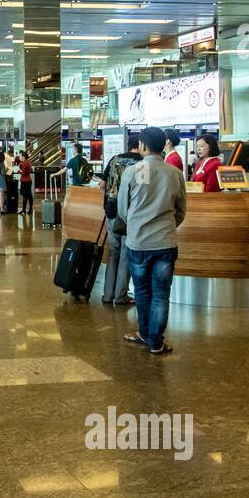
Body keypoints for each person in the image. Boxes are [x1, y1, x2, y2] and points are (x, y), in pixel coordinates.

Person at [116, 126, 187, 356]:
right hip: (166, 242)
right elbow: (181, 210)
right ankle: (155, 342)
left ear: (143, 146)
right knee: (161, 294)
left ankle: (145, 333)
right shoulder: (174, 173)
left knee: (142, 292)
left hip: (138, 243)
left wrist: (137, 225)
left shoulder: (131, 171)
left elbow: (123, 210)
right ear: (163, 145)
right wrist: (166, 227)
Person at [100, 148, 143, 305]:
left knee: (113, 253)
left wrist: (105, 204)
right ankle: (121, 296)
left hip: (111, 211)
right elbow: (141, 192)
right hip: (129, 215)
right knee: (126, 255)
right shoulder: (141, 163)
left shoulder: (114, 159)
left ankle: (107, 295)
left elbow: (102, 184)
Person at [17, 146, 34, 215]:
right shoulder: (28, 162)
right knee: (29, 195)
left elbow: (23, 173)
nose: (19, 157)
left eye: (20, 156)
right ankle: (30, 209)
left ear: (23, 156)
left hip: (25, 181)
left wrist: (19, 171)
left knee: (25, 196)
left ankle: (24, 210)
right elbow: (29, 171)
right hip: (29, 180)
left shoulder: (24, 163)